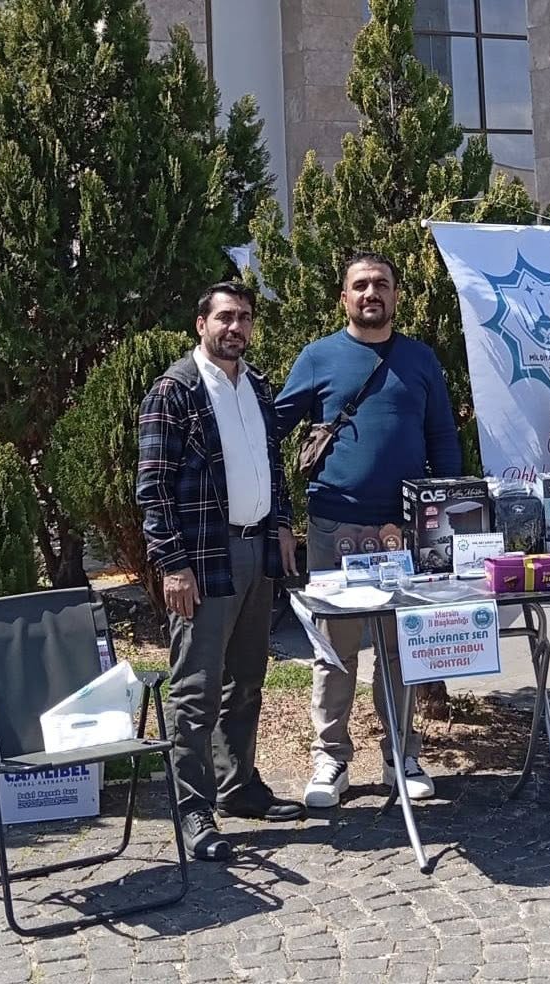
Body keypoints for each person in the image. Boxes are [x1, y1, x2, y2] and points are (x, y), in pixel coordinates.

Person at [275, 251, 462, 808]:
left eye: (381, 283)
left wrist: (444, 520)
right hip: (334, 525)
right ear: (344, 298)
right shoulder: (318, 357)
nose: (371, 293)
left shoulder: (420, 359)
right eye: (360, 285)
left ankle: (400, 754)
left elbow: (443, 440)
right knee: (335, 650)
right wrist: (279, 517)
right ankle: (330, 758)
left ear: (396, 295)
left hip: (404, 532)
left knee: (402, 650)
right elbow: (270, 431)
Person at [136, 282, 305, 861]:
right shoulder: (175, 391)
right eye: (225, 317)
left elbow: (273, 466)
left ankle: (239, 786)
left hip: (257, 551)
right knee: (195, 690)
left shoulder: (257, 385)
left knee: (246, 679)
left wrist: (283, 524)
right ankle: (192, 808)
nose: (236, 327)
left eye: (245, 318)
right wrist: (172, 565)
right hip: (204, 558)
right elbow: (153, 488)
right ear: (201, 324)